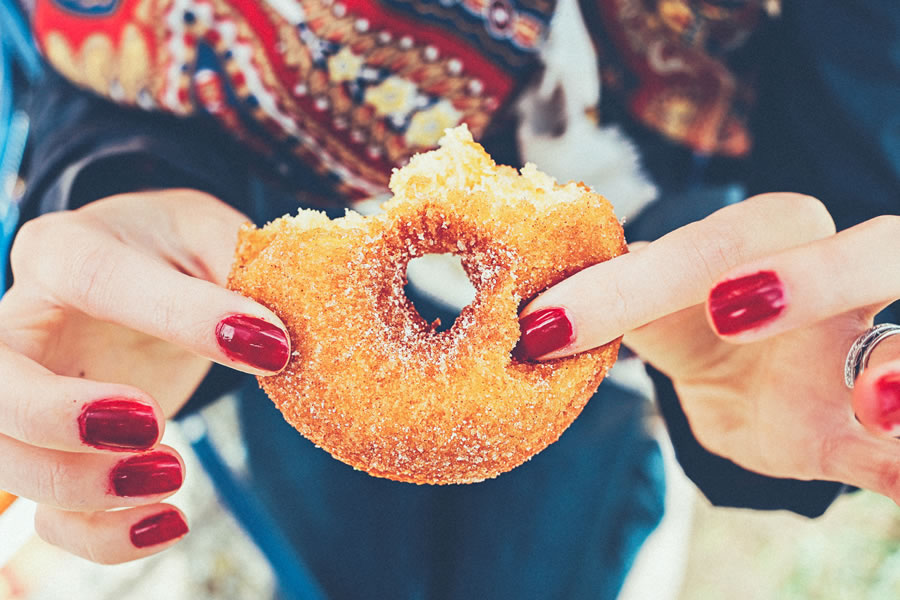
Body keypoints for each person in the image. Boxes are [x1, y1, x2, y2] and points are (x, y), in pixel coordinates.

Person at [1, 0, 898, 597]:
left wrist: (828, 294)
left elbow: (865, 101)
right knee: (350, 567)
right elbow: (91, 41)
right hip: (297, 338)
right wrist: (119, 183)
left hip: (628, 338)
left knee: (543, 569)